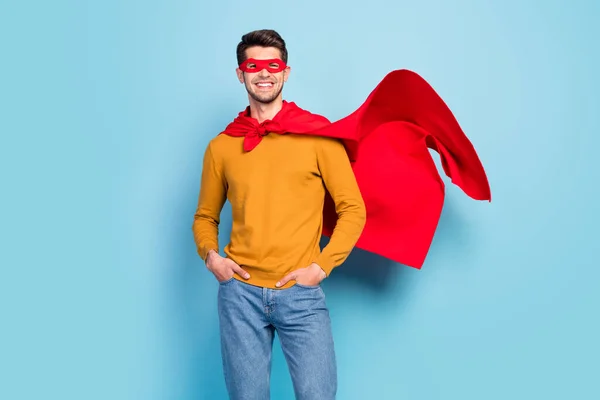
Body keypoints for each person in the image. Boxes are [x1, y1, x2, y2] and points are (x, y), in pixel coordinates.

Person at [192, 29, 366, 399]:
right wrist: (212, 259)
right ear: (241, 74)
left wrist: (321, 267)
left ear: (286, 72)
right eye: (253, 65)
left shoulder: (318, 137)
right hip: (240, 297)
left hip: (299, 295)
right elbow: (205, 216)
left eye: (273, 65)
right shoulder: (221, 147)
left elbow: (353, 209)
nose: (264, 73)